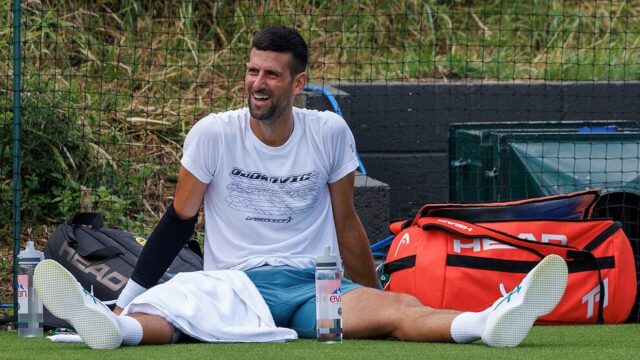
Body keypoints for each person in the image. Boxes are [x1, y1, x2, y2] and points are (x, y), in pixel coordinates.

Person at [34, 26, 569, 350]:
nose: (257, 84)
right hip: (234, 283)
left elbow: (346, 223)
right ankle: (111, 325)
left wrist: (372, 288)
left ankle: (489, 322)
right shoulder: (212, 134)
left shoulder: (329, 131)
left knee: (400, 310)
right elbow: (178, 222)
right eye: (251, 71)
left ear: (297, 83)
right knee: (170, 315)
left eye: (270, 75)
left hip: (317, 290)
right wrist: (131, 297)